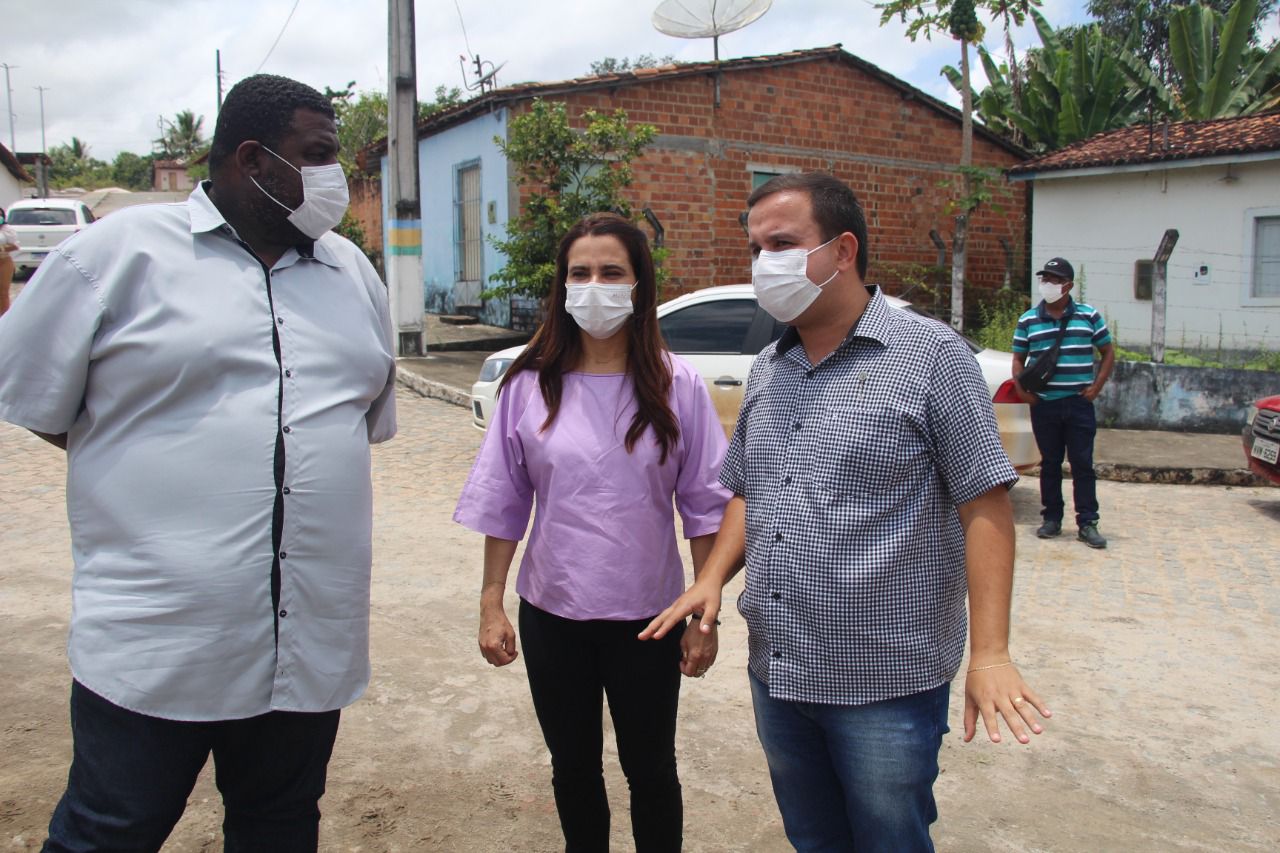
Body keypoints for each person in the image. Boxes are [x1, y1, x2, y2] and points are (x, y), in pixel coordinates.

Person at [0, 74, 397, 852]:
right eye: (317, 154)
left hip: (307, 647)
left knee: (280, 826)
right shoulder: (114, 256)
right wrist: (147, 458)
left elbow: (357, 419)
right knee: (109, 830)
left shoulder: (352, 271)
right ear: (252, 159)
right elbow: (37, 399)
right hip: (158, 645)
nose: (335, 176)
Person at [641, 172, 1050, 852]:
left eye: (782, 243)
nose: (764, 262)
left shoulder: (932, 357)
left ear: (843, 250)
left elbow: (984, 503)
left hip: (885, 683)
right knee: (814, 838)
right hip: (780, 669)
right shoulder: (771, 367)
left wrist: (991, 652)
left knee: (890, 840)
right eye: (755, 248)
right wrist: (711, 577)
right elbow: (749, 488)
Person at [454, 212, 730, 852]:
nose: (594, 287)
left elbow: (706, 507)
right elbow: (504, 499)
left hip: (650, 619)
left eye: (611, 272)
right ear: (562, 286)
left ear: (639, 286)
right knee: (573, 768)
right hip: (553, 614)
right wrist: (491, 602)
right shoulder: (529, 384)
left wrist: (705, 615)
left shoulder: (676, 385)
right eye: (580, 273)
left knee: (651, 769)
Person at [1011, 257, 1115, 549]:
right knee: (1050, 464)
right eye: (1044, 279)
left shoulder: (1088, 316)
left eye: (1054, 280)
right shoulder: (1029, 320)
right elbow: (1018, 358)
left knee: (1083, 464)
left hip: (1078, 403)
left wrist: (1097, 387)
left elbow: (1107, 352)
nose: (1047, 284)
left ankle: (1088, 522)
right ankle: (1052, 518)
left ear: (1068, 285)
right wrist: (1023, 392)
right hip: (1045, 405)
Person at [0, 206, 17, 315]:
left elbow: (15, 246)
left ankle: (4, 316)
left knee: (3, 292)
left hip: (4, 261)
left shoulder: (7, 230)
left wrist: (2, 248)